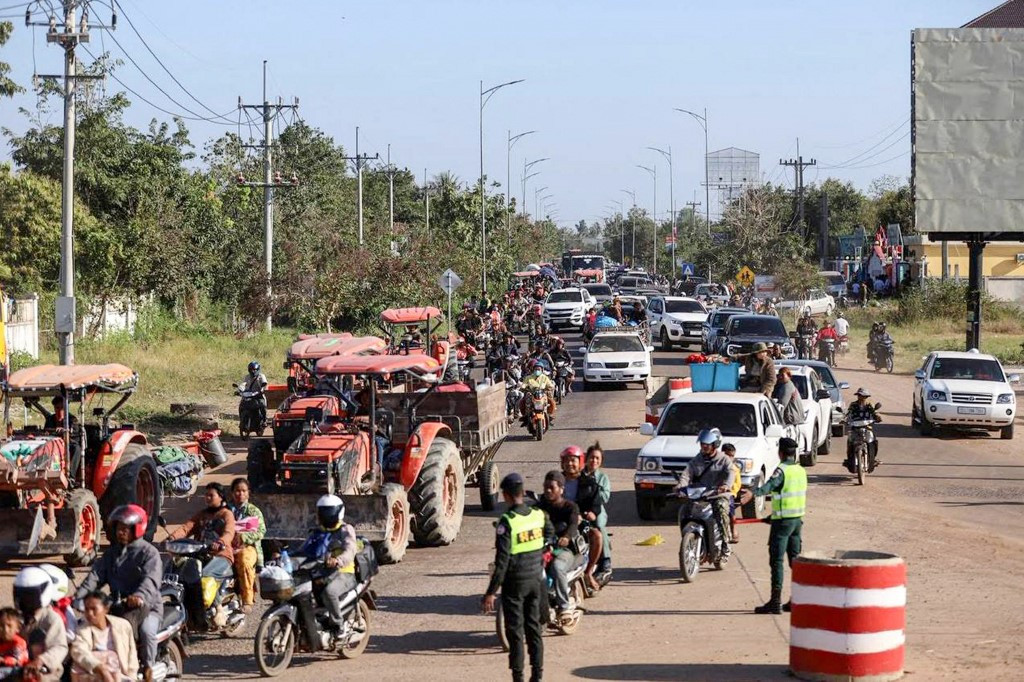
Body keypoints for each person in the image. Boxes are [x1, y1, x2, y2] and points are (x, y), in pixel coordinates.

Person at [74, 504, 161, 681]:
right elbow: (95, 577)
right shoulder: (111, 554)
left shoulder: (149, 553)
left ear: (137, 528)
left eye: (125, 529)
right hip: (118, 605)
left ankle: (148, 667)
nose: (120, 532)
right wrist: (77, 597)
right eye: (118, 529)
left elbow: (151, 580)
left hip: (147, 608)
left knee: (146, 632)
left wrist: (139, 597)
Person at [482, 473, 553, 682]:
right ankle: (537, 676)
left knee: (515, 634)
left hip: (515, 584)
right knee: (534, 630)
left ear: (505, 495)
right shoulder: (538, 515)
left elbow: (501, 561)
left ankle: (518, 677)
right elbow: (550, 535)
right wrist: (541, 552)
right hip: (536, 580)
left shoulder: (507, 521)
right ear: (522, 492)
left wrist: (490, 593)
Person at [739, 437, 806, 614]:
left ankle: (775, 602)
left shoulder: (781, 470)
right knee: (795, 562)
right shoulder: (800, 470)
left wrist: (752, 493)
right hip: (796, 521)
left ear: (781, 453)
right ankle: (797, 600)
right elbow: (790, 497)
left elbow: (769, 487)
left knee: (776, 561)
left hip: (783, 523)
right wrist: (773, 516)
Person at [167, 483, 236, 630]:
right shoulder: (202, 514)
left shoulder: (226, 514)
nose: (208, 498)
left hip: (221, 555)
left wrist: (221, 542)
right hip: (201, 554)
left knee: (204, 577)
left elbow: (229, 532)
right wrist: (172, 538)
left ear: (221, 497)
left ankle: (219, 608)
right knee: (181, 574)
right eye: (206, 495)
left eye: (211, 495)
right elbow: (187, 527)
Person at [293, 495, 358, 631]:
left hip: (344, 573)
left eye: (329, 511)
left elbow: (350, 549)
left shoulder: (345, 529)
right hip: (322, 571)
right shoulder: (318, 531)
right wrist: (287, 557)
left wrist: (338, 560)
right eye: (323, 511)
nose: (326, 515)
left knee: (330, 592)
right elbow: (304, 549)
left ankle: (338, 626)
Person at [674, 429, 734, 561]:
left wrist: (725, 486)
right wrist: (680, 487)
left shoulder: (724, 460)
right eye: (702, 444)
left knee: (721, 509)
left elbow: (731, 473)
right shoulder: (697, 459)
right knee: (684, 511)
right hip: (700, 495)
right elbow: (686, 473)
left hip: (717, 495)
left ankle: (725, 543)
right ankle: (689, 541)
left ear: (715, 444)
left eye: (707, 444)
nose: (704, 446)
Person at [536, 471, 585, 620]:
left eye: (551, 487)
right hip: (543, 548)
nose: (548, 490)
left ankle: (564, 607)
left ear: (561, 489)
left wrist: (566, 537)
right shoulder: (538, 507)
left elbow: (573, 524)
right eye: (545, 487)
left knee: (557, 567)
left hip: (564, 551)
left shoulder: (570, 507)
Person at [14, 566, 68, 682]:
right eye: (21, 594)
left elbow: (60, 647)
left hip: (45, 674)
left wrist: (41, 660)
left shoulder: (51, 618)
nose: (24, 600)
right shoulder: (15, 617)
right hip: (16, 667)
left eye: (29, 596)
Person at [71, 591, 139, 682]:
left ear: (105, 609)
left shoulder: (123, 626)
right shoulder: (82, 630)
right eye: (87, 609)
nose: (90, 613)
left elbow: (132, 655)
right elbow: (79, 652)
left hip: (122, 675)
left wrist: (132, 677)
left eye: (94, 609)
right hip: (95, 676)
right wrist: (99, 667)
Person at [228, 478, 266, 614]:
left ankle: (247, 600)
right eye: (237, 491)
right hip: (227, 546)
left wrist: (243, 537)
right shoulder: (226, 510)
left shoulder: (253, 511)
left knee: (244, 561)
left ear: (248, 493)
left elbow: (261, 531)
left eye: (243, 491)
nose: (240, 494)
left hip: (249, 547)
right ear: (232, 493)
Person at [579, 444, 612, 584]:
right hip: (580, 509)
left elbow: (605, 497)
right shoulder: (579, 475)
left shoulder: (602, 478)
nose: (594, 461)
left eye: (597, 458)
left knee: (599, 525)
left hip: (597, 510)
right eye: (592, 457)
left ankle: (606, 561)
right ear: (586, 459)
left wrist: (594, 491)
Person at [846, 388, 882, 472]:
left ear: (866, 397)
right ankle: (850, 460)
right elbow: (848, 413)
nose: (861, 398)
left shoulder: (870, 405)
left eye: (864, 396)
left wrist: (878, 417)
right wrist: (844, 419)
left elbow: (874, 412)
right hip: (855, 427)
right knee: (850, 442)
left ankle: (872, 459)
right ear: (857, 396)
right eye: (860, 396)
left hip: (867, 427)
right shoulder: (853, 405)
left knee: (873, 442)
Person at [520, 361, 556, 426]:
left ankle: (549, 415)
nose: (537, 371)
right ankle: (526, 416)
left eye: (539, 369)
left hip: (542, 393)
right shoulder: (528, 377)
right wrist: (523, 387)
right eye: (536, 369)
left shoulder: (545, 377)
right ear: (533, 370)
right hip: (531, 394)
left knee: (550, 402)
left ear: (542, 370)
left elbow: (550, 385)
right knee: (524, 401)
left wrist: (550, 388)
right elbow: (524, 384)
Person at [722, 443, 743, 543]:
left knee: (731, 512)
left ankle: (734, 530)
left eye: (732, 456)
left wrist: (731, 490)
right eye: (728, 455)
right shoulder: (717, 465)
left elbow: (738, 483)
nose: (730, 458)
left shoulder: (734, 469)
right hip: (715, 492)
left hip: (728, 494)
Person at [239, 361, 268, 427]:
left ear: (258, 370)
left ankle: (264, 420)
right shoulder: (247, 377)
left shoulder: (261, 376)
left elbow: (264, 383)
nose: (253, 371)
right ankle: (242, 421)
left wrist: (262, 389)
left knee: (262, 405)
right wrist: (240, 390)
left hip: (258, 395)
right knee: (241, 405)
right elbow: (243, 384)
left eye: (254, 369)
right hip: (249, 395)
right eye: (251, 369)